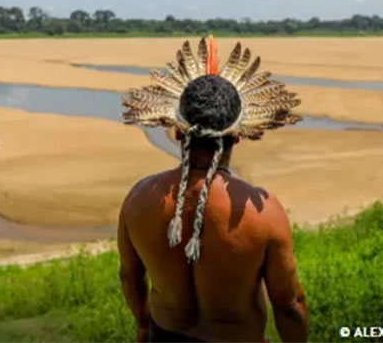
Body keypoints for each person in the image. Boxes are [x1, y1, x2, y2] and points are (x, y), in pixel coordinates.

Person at [119, 37, 308, 342]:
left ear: (177, 132)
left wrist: (143, 326)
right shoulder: (264, 213)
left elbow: (130, 277)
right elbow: (289, 304)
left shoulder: (139, 198)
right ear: (239, 136)